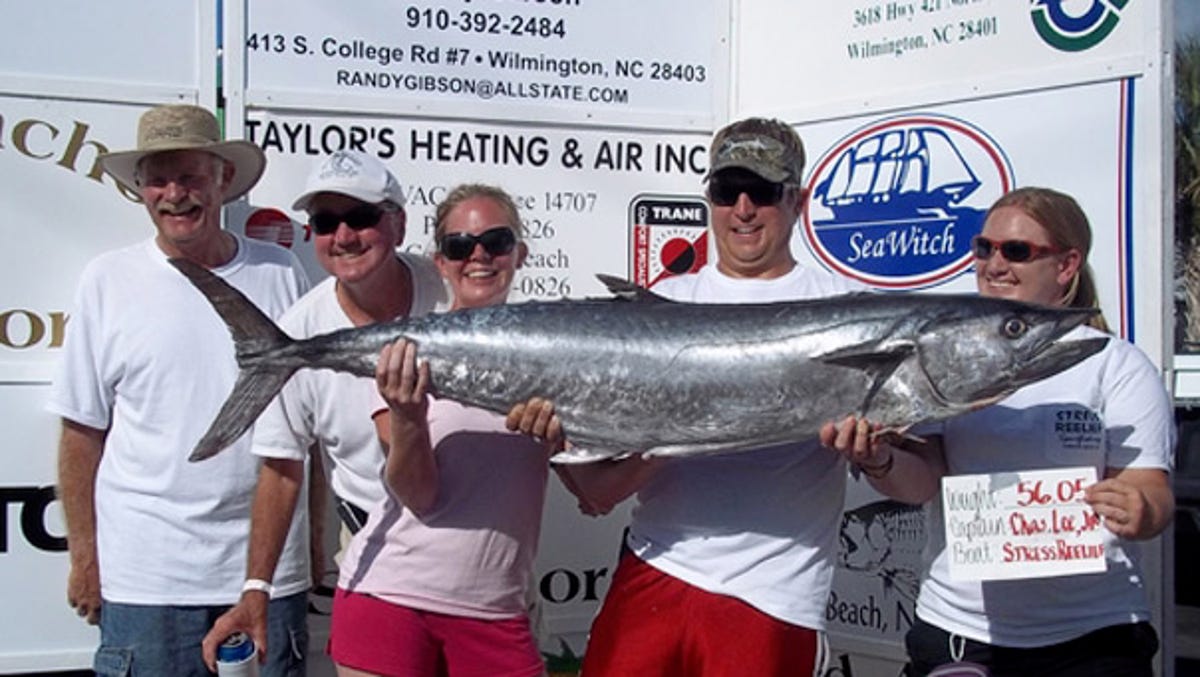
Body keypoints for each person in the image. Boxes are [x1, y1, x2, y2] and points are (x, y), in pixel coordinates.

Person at [511, 118, 865, 676]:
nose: (743, 209)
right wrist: (554, 442)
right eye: (727, 191)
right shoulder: (665, 304)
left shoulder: (848, 310)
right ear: (710, 198)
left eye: (764, 192)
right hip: (653, 569)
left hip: (773, 596)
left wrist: (878, 453)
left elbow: (910, 475)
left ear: (797, 197)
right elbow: (598, 493)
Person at [821, 186, 1174, 676]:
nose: (994, 264)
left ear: (1067, 265)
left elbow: (1150, 487)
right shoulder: (947, 360)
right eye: (984, 248)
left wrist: (1139, 509)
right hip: (960, 634)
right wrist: (877, 459)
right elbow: (924, 480)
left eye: (1016, 251)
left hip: (1093, 635)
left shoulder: (1118, 364)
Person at [47, 104, 311, 677]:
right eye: (158, 179)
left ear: (222, 180)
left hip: (266, 577)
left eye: (190, 176)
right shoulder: (107, 280)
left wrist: (315, 551)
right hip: (147, 583)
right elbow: (80, 434)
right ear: (140, 188)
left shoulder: (282, 271)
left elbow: (305, 423)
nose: (175, 194)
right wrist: (85, 558)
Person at [201, 150, 448, 669]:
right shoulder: (302, 327)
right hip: (377, 550)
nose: (343, 235)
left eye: (360, 217)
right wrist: (255, 589)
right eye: (325, 221)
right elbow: (282, 469)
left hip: (478, 550)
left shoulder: (451, 293)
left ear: (398, 224)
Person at [327, 183, 559, 677]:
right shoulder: (405, 352)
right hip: (391, 600)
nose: (478, 256)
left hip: (496, 609)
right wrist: (409, 416)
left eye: (495, 242)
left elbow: (598, 495)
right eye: (459, 245)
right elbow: (418, 493)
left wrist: (677, 434)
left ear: (520, 253)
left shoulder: (556, 353)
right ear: (440, 261)